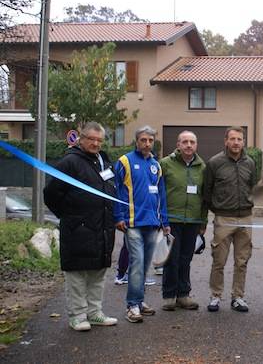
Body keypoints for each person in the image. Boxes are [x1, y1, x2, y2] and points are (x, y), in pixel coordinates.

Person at [43, 122, 118, 331]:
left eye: (99, 140)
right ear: (81, 139)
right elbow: (50, 194)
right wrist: (70, 217)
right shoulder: (69, 162)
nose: (95, 143)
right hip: (77, 229)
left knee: (98, 273)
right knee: (77, 275)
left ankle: (95, 313)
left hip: (102, 228)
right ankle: (77, 315)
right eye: (91, 139)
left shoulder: (104, 161)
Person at [113, 125, 170, 323]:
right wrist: (118, 217)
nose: (147, 144)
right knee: (136, 263)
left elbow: (161, 194)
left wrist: (165, 221)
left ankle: (139, 300)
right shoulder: (124, 161)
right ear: (136, 141)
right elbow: (116, 190)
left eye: (150, 140)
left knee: (145, 266)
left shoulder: (156, 165)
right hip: (132, 223)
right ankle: (132, 306)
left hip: (152, 224)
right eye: (143, 140)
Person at [204, 126, 257, 313]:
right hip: (224, 218)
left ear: (243, 142)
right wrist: (218, 208)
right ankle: (215, 296)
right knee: (219, 260)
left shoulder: (250, 163)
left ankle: (238, 297)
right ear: (226, 141)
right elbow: (207, 191)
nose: (236, 143)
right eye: (233, 139)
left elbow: (252, 185)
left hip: (245, 218)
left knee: (242, 261)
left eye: (240, 139)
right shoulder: (214, 163)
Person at [159, 130, 208, 311]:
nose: (189, 145)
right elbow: (158, 194)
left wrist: (203, 222)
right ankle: (169, 295)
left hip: (193, 221)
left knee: (186, 259)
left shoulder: (202, 167)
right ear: (178, 145)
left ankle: (183, 294)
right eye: (185, 142)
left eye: (192, 142)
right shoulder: (165, 164)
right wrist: (161, 220)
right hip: (171, 220)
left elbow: (205, 197)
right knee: (171, 259)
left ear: (196, 145)